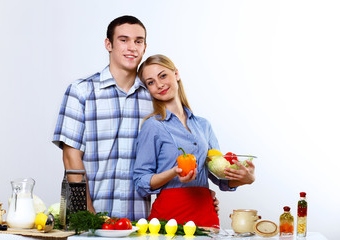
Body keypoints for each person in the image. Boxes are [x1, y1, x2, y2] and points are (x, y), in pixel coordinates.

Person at [52, 16, 219, 221]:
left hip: (139, 221)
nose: (132, 47)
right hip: (89, 215)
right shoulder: (82, 91)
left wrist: (199, 193)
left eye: (138, 41)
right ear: (108, 44)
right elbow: (71, 158)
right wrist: (87, 215)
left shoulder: (155, 96)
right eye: (123, 40)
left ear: (144, 47)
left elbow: (177, 150)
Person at [133, 54, 256, 227]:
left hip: (205, 213)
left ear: (176, 74)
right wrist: (174, 172)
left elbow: (220, 178)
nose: (159, 85)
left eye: (163, 75)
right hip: (169, 217)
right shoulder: (152, 126)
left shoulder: (204, 125)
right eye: (150, 82)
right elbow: (141, 181)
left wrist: (246, 179)